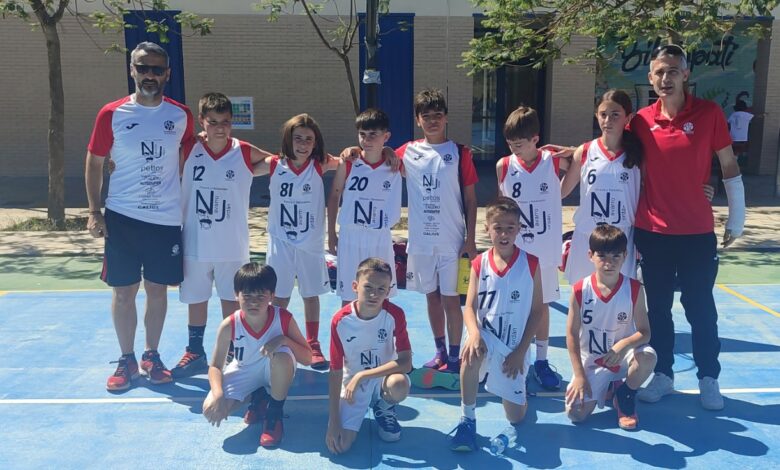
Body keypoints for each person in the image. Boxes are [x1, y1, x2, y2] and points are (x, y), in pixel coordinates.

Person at [630, 44, 745, 410]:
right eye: (659, 72)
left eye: (672, 71)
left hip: (696, 233)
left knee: (700, 309)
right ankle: (663, 374)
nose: (666, 78)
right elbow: (611, 149)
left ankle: (709, 377)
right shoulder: (640, 121)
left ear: (685, 74)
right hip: (653, 233)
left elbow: (728, 163)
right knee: (658, 310)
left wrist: (737, 217)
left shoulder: (709, 114)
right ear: (650, 78)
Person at [85, 41, 194, 391]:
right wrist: (94, 211)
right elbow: (95, 162)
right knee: (124, 292)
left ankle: (151, 355)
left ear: (167, 74)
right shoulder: (112, 113)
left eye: (156, 69)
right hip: (123, 217)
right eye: (143, 68)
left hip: (165, 220)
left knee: (157, 291)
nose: (150, 75)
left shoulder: (181, 116)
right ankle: (126, 359)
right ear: (132, 70)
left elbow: (194, 157)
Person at [171, 92, 274, 378]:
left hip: (232, 244)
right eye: (213, 121)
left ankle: (232, 351)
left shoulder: (242, 151)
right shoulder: (188, 149)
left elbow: (277, 162)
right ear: (201, 120)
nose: (219, 128)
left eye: (225, 122)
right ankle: (195, 351)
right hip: (195, 241)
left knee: (232, 300)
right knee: (196, 299)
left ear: (232, 122)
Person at [449, 197, 543, 452]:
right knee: (470, 353)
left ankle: (521, 392)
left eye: (510, 228)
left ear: (519, 229)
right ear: (487, 229)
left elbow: (538, 311)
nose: (504, 234)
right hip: (487, 338)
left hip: (514, 346)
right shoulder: (479, 263)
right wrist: (474, 333)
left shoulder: (531, 263)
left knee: (516, 418)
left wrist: (521, 351)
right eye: (498, 228)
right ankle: (467, 420)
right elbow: (469, 307)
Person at [396, 88, 479, 374]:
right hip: (421, 242)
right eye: (426, 116)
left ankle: (455, 357)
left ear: (446, 118)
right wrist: (353, 152)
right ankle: (440, 351)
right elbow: (376, 157)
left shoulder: (460, 153)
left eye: (438, 115)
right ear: (418, 120)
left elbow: (471, 199)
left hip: (451, 242)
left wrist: (470, 239)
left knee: (451, 300)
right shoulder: (407, 152)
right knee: (431, 297)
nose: (432, 121)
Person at [496, 106, 577, 390]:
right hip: (516, 251)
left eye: (520, 143)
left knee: (541, 307)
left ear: (535, 139)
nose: (515, 149)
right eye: (510, 144)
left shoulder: (552, 162)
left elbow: (583, 158)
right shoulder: (504, 166)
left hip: (545, 251)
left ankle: (541, 361)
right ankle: (514, 356)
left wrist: (571, 150)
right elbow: (501, 210)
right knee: (513, 305)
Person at [202, 262, 312, 447]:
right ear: (236, 295)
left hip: (275, 368)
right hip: (245, 369)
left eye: (260, 296)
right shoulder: (230, 324)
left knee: (282, 357)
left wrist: (284, 340)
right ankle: (258, 396)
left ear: (272, 296)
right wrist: (218, 393)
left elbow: (308, 358)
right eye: (247, 295)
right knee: (211, 410)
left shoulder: (283, 318)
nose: (254, 301)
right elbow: (215, 366)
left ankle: (274, 414)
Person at [265, 114, 341, 370]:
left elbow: (351, 160)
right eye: (298, 138)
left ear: (315, 142)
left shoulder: (320, 164)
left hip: (310, 242)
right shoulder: (274, 164)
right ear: (289, 139)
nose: (303, 144)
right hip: (281, 241)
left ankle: (313, 344)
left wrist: (359, 151)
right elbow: (240, 163)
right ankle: (276, 339)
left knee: (310, 294)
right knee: (279, 296)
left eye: (309, 139)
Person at [564, 224, 656, 430]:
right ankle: (609, 384)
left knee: (648, 357)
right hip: (593, 360)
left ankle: (624, 395)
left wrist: (622, 345)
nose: (609, 263)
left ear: (625, 256)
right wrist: (579, 375)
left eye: (616, 256)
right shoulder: (580, 290)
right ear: (590, 255)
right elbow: (571, 334)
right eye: (602, 256)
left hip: (622, 356)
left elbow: (645, 332)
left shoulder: (634, 288)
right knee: (575, 414)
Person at [325, 258, 412, 454]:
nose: (374, 294)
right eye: (368, 287)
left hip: (383, 379)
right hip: (353, 385)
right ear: (355, 286)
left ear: (388, 291)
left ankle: (384, 406)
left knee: (399, 384)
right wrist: (334, 420)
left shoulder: (395, 314)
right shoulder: (340, 321)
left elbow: (406, 363)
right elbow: (335, 371)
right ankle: (354, 412)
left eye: (381, 289)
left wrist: (363, 375)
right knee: (339, 446)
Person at [563, 90, 642, 285]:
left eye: (615, 115)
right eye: (603, 114)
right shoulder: (585, 151)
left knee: (620, 296)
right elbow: (561, 191)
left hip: (621, 239)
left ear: (628, 118)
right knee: (583, 294)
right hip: (588, 236)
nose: (608, 120)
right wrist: (542, 164)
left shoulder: (637, 155)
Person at [327, 108, 402, 305]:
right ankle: (346, 325)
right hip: (350, 235)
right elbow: (334, 196)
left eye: (373, 135)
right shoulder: (349, 162)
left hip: (379, 236)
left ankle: (381, 327)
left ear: (386, 136)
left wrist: (389, 150)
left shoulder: (394, 165)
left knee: (381, 294)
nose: (366, 140)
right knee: (349, 294)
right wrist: (331, 234)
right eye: (362, 134)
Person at [727, 100, 754, 166]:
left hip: (733, 137)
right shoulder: (746, 115)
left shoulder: (733, 115)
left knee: (734, 151)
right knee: (739, 151)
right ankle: (735, 164)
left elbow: (728, 123)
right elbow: (755, 117)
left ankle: (732, 163)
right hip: (742, 138)